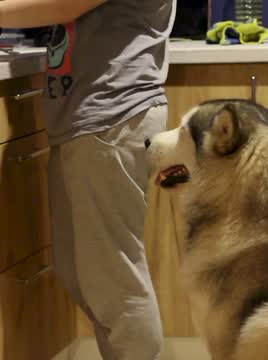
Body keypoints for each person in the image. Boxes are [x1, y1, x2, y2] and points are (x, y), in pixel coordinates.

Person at [0, 1, 175, 359]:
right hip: (91, 118)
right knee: (87, 276)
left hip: (110, 115)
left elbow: (62, 4)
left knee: (115, 285)